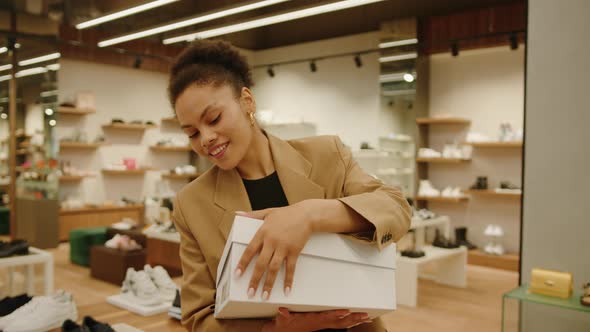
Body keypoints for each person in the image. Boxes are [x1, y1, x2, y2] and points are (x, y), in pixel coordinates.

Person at [169, 39, 411, 332]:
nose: (205, 138)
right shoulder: (191, 204)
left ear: (247, 101)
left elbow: (395, 208)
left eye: (214, 118)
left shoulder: (327, 155)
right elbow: (198, 318)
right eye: (192, 133)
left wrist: (309, 215)